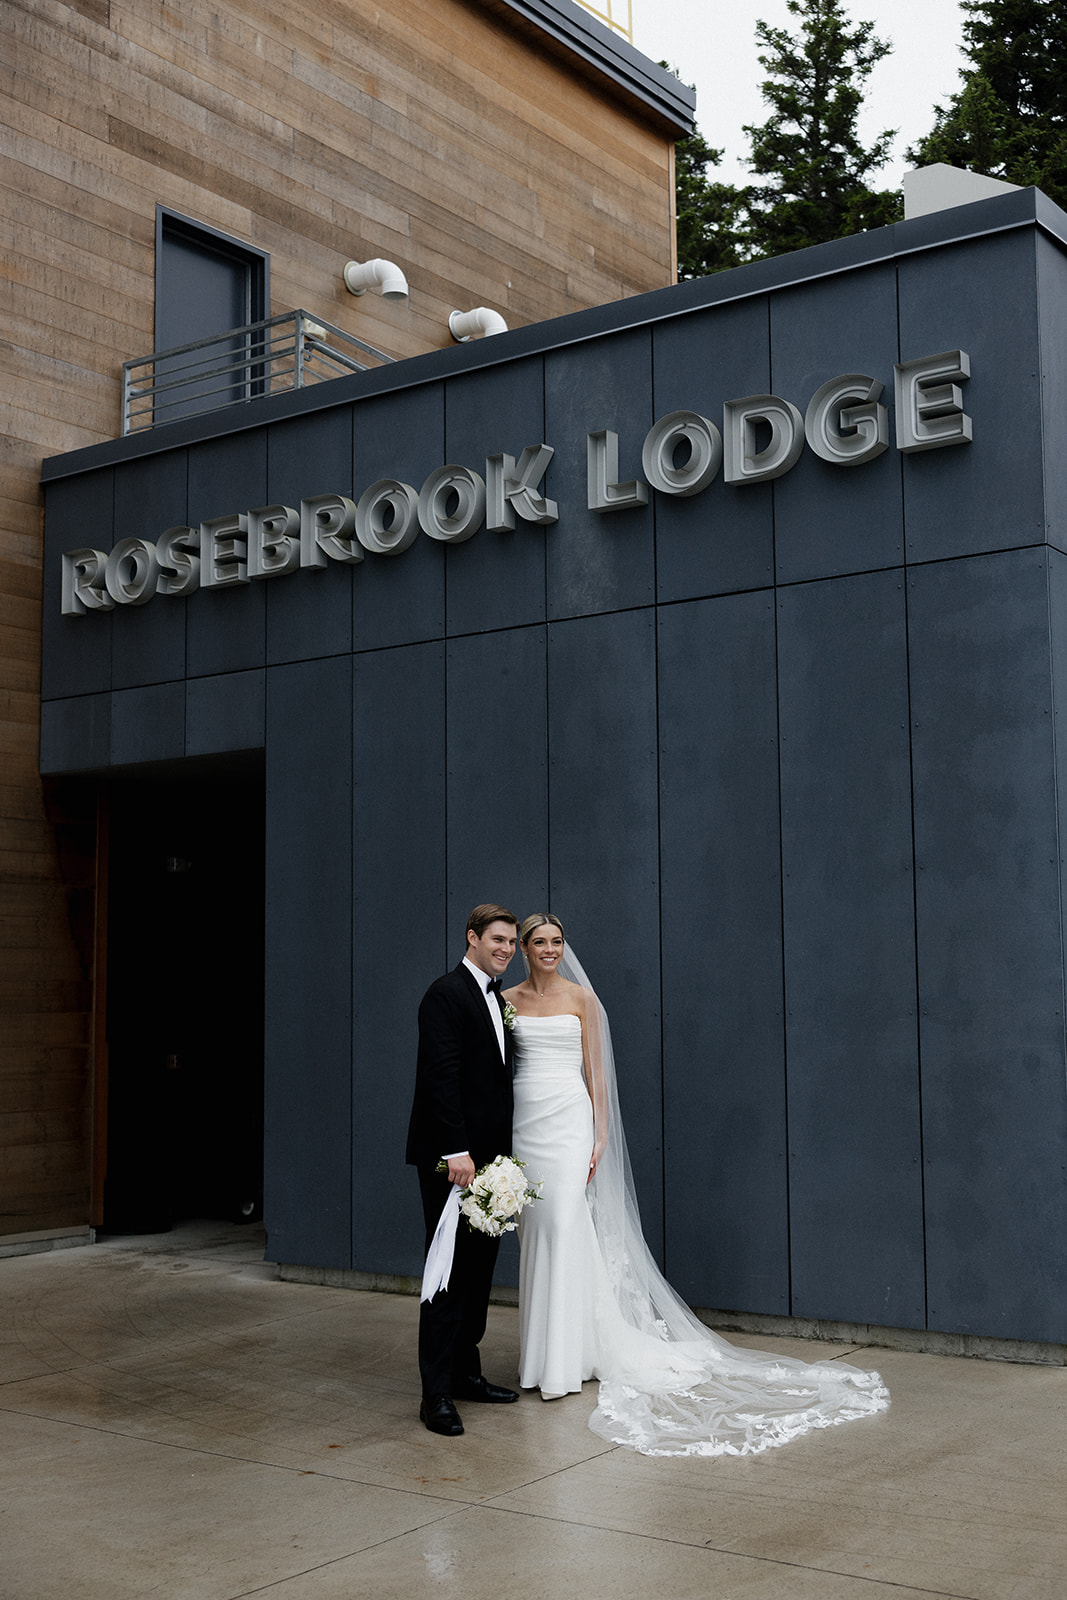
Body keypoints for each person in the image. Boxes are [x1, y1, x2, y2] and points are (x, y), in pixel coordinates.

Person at [505, 913, 890, 1457]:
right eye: (539, 942)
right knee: (537, 1232)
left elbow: (597, 1075)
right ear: (523, 948)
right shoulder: (508, 1000)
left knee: (567, 1226)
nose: (549, 949)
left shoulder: (580, 999)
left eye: (557, 942)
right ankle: (547, 1353)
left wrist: (599, 1138)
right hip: (525, 1125)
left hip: (568, 1123)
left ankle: (563, 1364)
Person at [406, 903, 521, 1437]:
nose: (506, 948)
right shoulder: (445, 994)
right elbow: (440, 1077)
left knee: (478, 1275)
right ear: (472, 938)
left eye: (511, 942)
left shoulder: (496, 998)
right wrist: (456, 1151)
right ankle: (436, 1395)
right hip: (454, 1163)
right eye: (497, 939)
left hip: (492, 1165)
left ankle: (465, 1372)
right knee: (447, 1275)